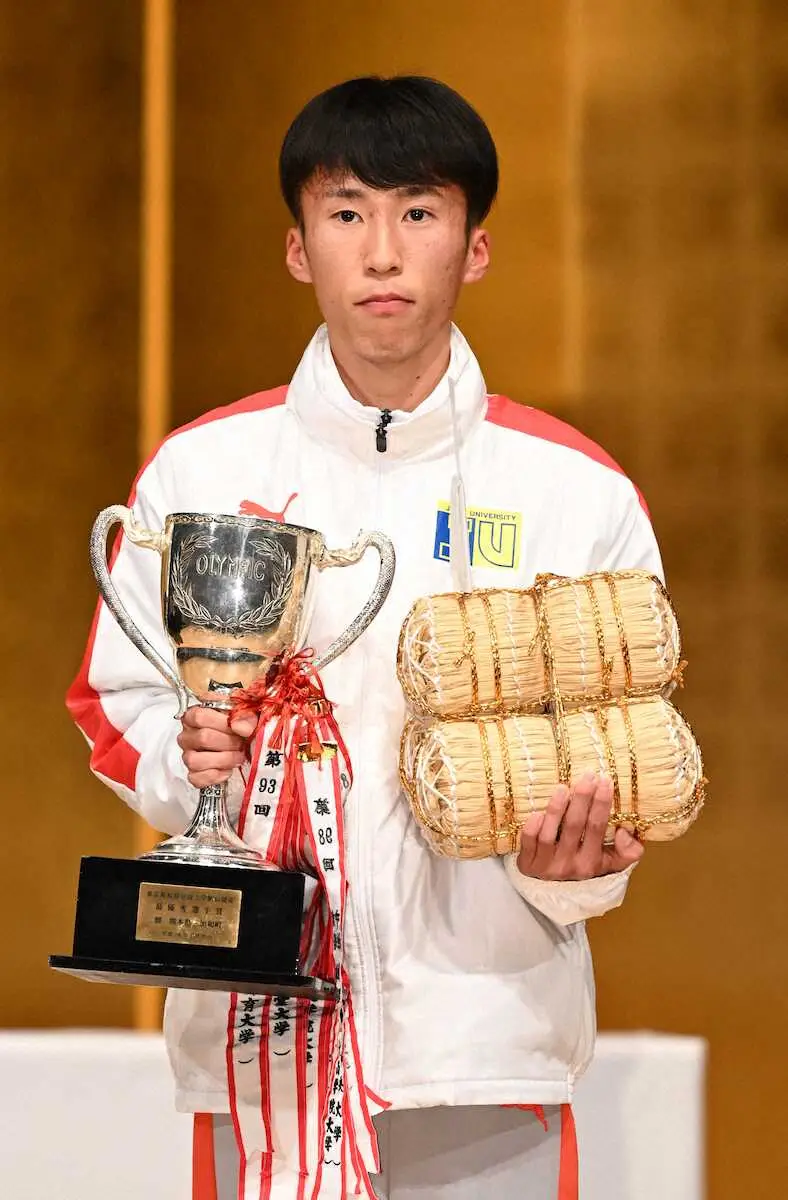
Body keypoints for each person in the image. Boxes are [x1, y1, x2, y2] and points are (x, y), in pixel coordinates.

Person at [68, 76, 660, 1200]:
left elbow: (621, 751)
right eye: (346, 213)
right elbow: (116, 702)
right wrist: (193, 767)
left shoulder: (575, 492)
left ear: (475, 249)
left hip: (487, 1049)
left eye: (418, 212)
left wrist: (576, 876)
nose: (382, 252)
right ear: (298, 249)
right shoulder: (201, 470)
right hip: (260, 1042)